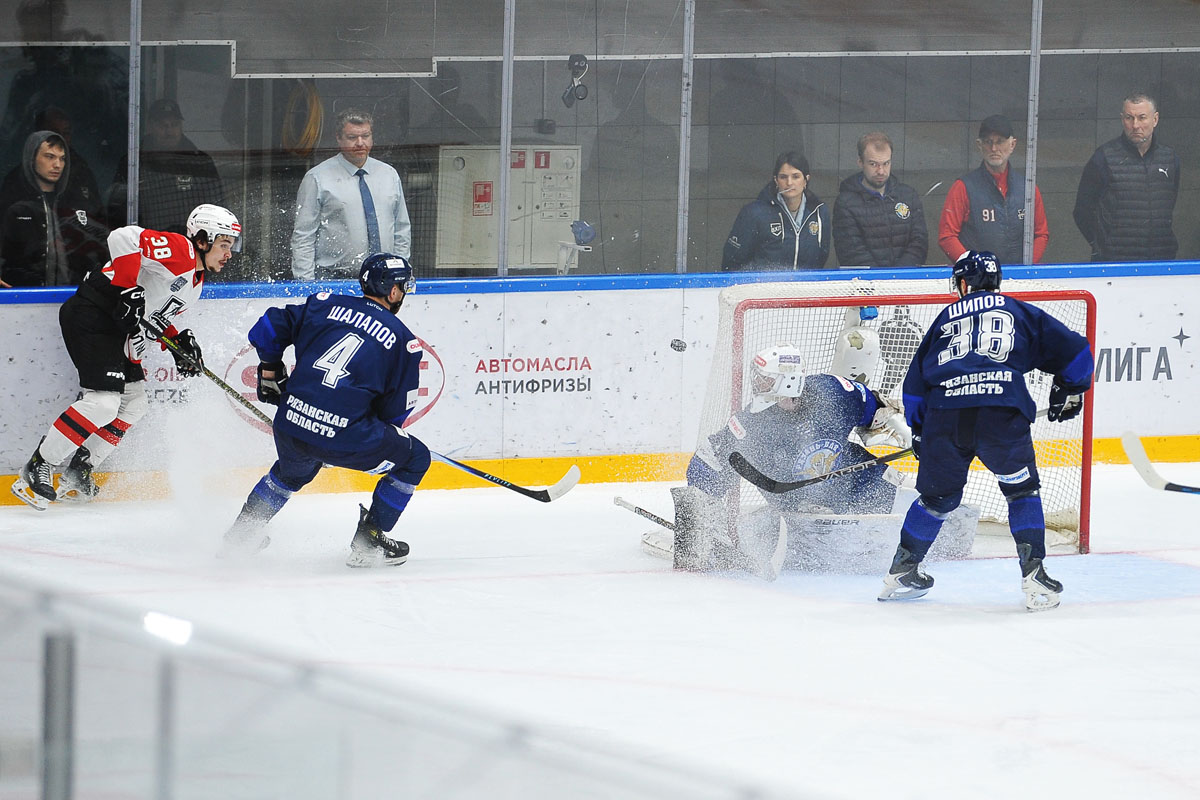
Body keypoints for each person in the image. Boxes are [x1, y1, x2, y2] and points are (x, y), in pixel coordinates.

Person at [880, 250, 1094, 611]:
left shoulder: (945, 318)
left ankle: (902, 571)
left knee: (937, 499)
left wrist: (919, 431)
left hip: (945, 416)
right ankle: (1034, 575)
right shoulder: (1019, 311)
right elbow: (1077, 353)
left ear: (963, 283)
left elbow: (915, 385)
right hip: (1001, 412)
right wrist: (1070, 387)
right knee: (1020, 490)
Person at [10, 203, 240, 510]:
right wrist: (127, 288)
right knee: (103, 403)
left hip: (117, 331)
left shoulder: (194, 286)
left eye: (231, 246)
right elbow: (124, 237)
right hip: (93, 315)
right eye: (224, 244)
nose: (228, 253)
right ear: (201, 240)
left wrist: (176, 343)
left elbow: (149, 317)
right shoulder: (180, 250)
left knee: (134, 404)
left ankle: (80, 469)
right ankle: (39, 465)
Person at [221, 253, 429, 568]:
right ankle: (369, 540)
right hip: (345, 436)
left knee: (291, 472)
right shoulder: (404, 342)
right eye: (402, 287)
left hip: (291, 424)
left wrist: (269, 368)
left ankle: (241, 535)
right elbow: (393, 416)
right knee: (416, 458)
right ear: (393, 291)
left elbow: (268, 326)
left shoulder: (323, 304)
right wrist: (342, 437)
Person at [667, 343, 944, 576]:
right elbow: (709, 460)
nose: (757, 384)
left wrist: (911, 434)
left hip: (859, 480)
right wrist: (700, 512)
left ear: (788, 380)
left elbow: (876, 409)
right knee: (834, 556)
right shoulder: (750, 424)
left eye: (765, 379)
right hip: (802, 513)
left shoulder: (833, 391)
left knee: (923, 502)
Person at [291, 109, 412, 281]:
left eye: (366, 136)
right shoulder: (317, 178)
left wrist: (400, 273)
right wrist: (306, 283)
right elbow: (304, 235)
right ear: (338, 138)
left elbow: (401, 229)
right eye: (352, 137)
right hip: (334, 278)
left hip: (383, 279)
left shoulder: (389, 175)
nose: (360, 143)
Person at [1072, 92, 1180, 263]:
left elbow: (1168, 203)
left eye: (1142, 118)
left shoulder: (1169, 158)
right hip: (1114, 263)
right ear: (1122, 119)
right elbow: (1082, 210)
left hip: (1161, 260)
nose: (1135, 125)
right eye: (1129, 118)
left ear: (1155, 119)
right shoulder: (1104, 157)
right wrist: (1101, 246)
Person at [0, 129, 107, 287]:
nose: (57, 165)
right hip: (23, 293)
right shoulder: (14, 204)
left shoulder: (77, 204)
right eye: (49, 157)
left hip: (75, 292)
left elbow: (100, 247)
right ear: (32, 159)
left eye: (62, 159)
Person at [937, 115, 1048, 266]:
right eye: (988, 142)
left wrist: (1026, 268)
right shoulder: (963, 187)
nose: (994, 149)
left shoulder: (1028, 188)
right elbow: (947, 237)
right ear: (979, 145)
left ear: (1012, 144)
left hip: (1019, 276)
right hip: (977, 277)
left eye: (1000, 141)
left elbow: (1041, 234)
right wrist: (974, 267)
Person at [108, 99, 226, 234]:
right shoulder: (133, 162)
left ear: (181, 126)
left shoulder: (200, 162)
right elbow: (117, 209)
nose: (169, 131)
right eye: (162, 125)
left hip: (189, 242)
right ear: (150, 127)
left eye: (174, 125)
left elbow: (217, 208)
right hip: (146, 242)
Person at [722, 151, 830, 271]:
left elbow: (821, 257)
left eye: (796, 177)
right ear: (776, 180)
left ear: (806, 180)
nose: (789, 183)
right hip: (764, 283)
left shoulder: (819, 212)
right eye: (783, 177)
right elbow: (733, 260)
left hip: (805, 283)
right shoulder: (754, 213)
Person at [832, 131, 928, 267]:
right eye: (873, 164)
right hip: (867, 280)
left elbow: (919, 242)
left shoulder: (908, 195)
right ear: (860, 163)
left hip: (906, 277)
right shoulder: (846, 203)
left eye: (886, 163)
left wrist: (899, 274)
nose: (881, 171)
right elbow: (851, 252)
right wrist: (881, 277)